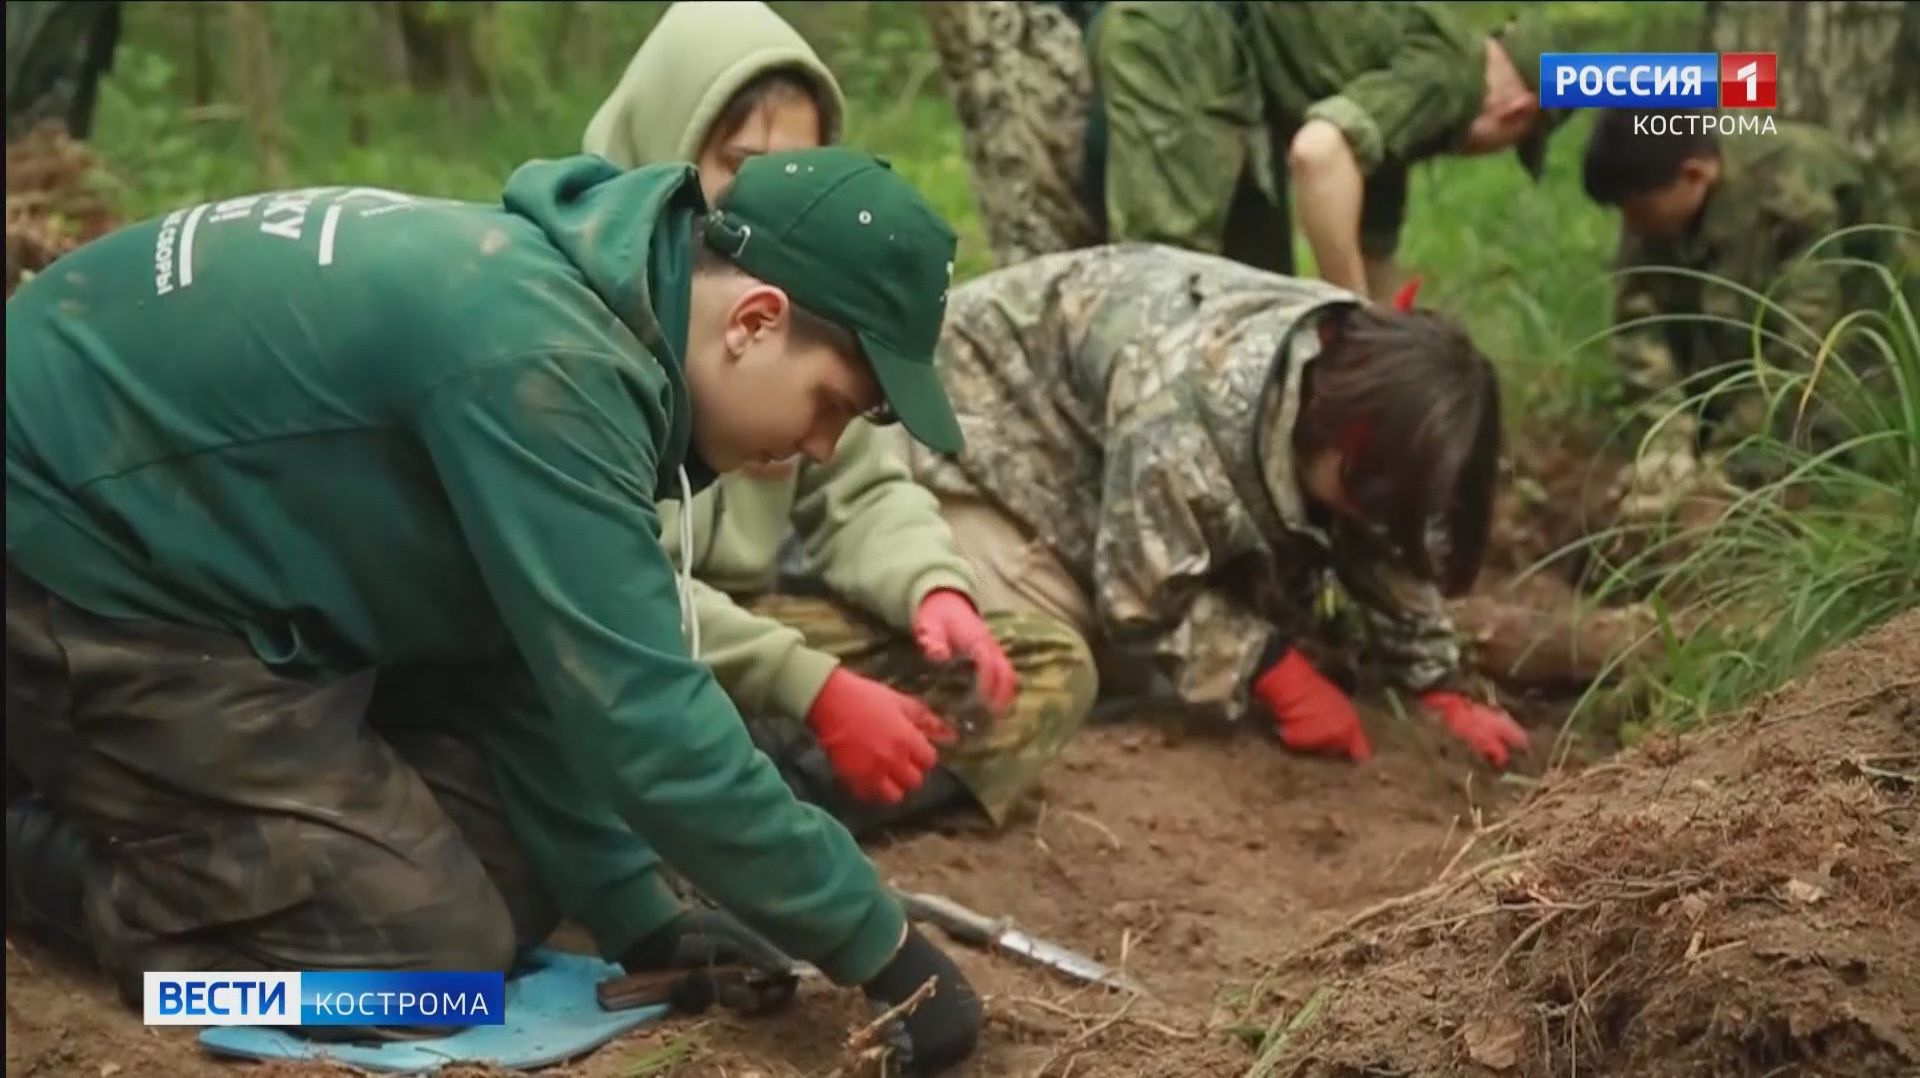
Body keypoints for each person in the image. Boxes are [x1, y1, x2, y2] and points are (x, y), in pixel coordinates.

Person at [5, 147, 981, 1074]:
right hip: (78, 554)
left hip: (218, 566)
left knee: (516, 880)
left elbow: (519, 646)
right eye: (832, 406)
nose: (819, 448)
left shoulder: (586, 311)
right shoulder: (546, 363)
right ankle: (68, 871)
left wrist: (636, 912)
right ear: (755, 320)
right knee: (424, 974)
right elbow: (652, 727)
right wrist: (884, 947)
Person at [583, 0, 1098, 836]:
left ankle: (758, 795)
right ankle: (753, 796)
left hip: (749, 631)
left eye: (802, 168)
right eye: (741, 164)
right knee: (616, 706)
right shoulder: (586, 312)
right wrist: (810, 689)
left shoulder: (810, 299)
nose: (771, 193)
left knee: (1041, 666)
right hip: (622, 634)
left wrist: (933, 590)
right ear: (667, 142)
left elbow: (859, 486)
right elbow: (598, 586)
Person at [901, 244, 1531, 770]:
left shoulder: (1363, 376)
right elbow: (1139, 602)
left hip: (1097, 443)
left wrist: (1437, 689)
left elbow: (1380, 536)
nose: (1377, 520)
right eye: (1372, 496)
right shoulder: (1186, 410)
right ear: (1349, 439)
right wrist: (1272, 669)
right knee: (1064, 664)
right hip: (961, 441)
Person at [1076, 2, 1561, 302]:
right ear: (1518, 113)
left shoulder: (1408, 63)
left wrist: (1393, 328)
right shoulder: (1451, 76)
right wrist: (1351, 320)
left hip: (1209, 63)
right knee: (1169, 297)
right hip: (1179, 50)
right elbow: (1319, 154)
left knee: (1258, 298)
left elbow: (1376, 249)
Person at [1582, 109, 1920, 513]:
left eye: (1639, 212)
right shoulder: (1653, 187)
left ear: (1695, 175)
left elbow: (1803, 348)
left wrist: (1724, 463)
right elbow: (1640, 326)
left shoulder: (1792, 192)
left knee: (1838, 478)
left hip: (1862, 346)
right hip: (1748, 344)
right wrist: (1666, 446)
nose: (1632, 228)